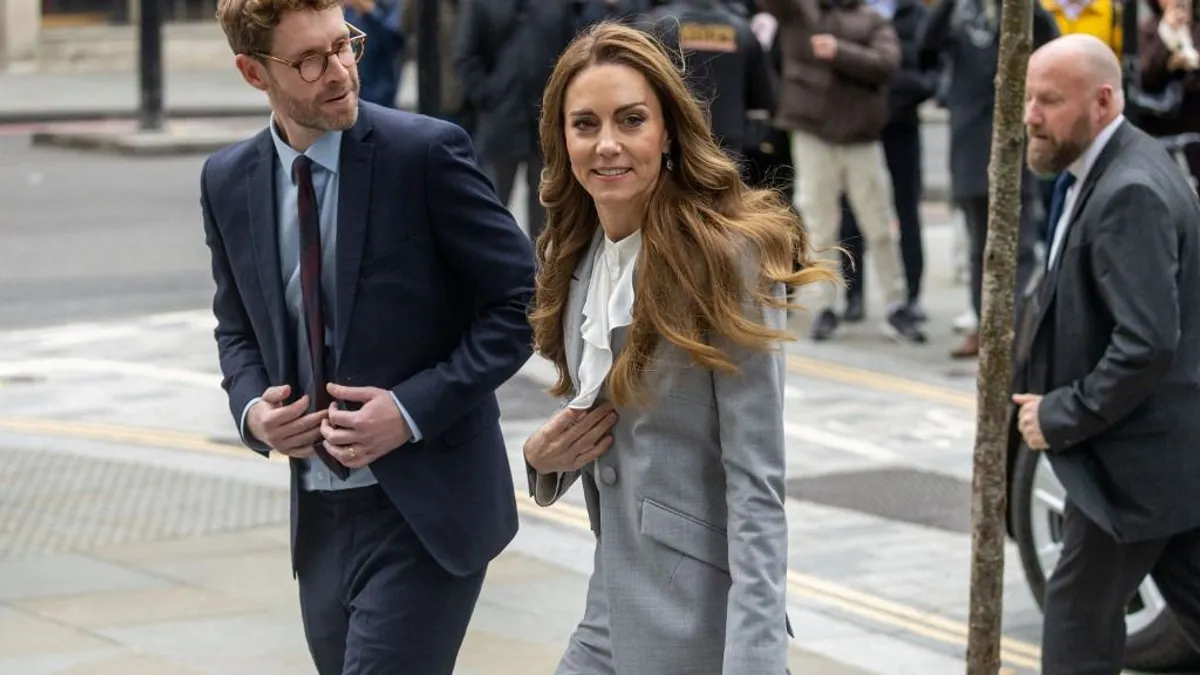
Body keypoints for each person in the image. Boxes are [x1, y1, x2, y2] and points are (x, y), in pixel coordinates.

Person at [202, 0, 536, 672]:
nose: (339, 71)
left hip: (425, 509)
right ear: (253, 72)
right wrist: (254, 412)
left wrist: (409, 410)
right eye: (308, 60)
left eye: (342, 44)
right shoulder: (227, 180)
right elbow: (236, 327)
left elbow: (523, 302)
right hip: (319, 520)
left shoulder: (426, 153)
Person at [521, 21, 834, 675]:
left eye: (631, 119)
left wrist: (755, 659)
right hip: (609, 607)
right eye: (585, 125)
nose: (607, 144)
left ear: (667, 132)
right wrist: (543, 459)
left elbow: (756, 484)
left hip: (698, 621)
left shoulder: (727, 257)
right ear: (562, 138)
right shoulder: (574, 252)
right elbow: (622, 434)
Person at [1011, 33, 1200, 674]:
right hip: (1161, 456)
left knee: (1076, 625)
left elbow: (1146, 343)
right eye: (1028, 98)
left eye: (1049, 101)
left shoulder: (1130, 190)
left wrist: (1060, 412)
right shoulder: (1116, 168)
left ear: (1102, 101)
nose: (1031, 115)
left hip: (1131, 465)